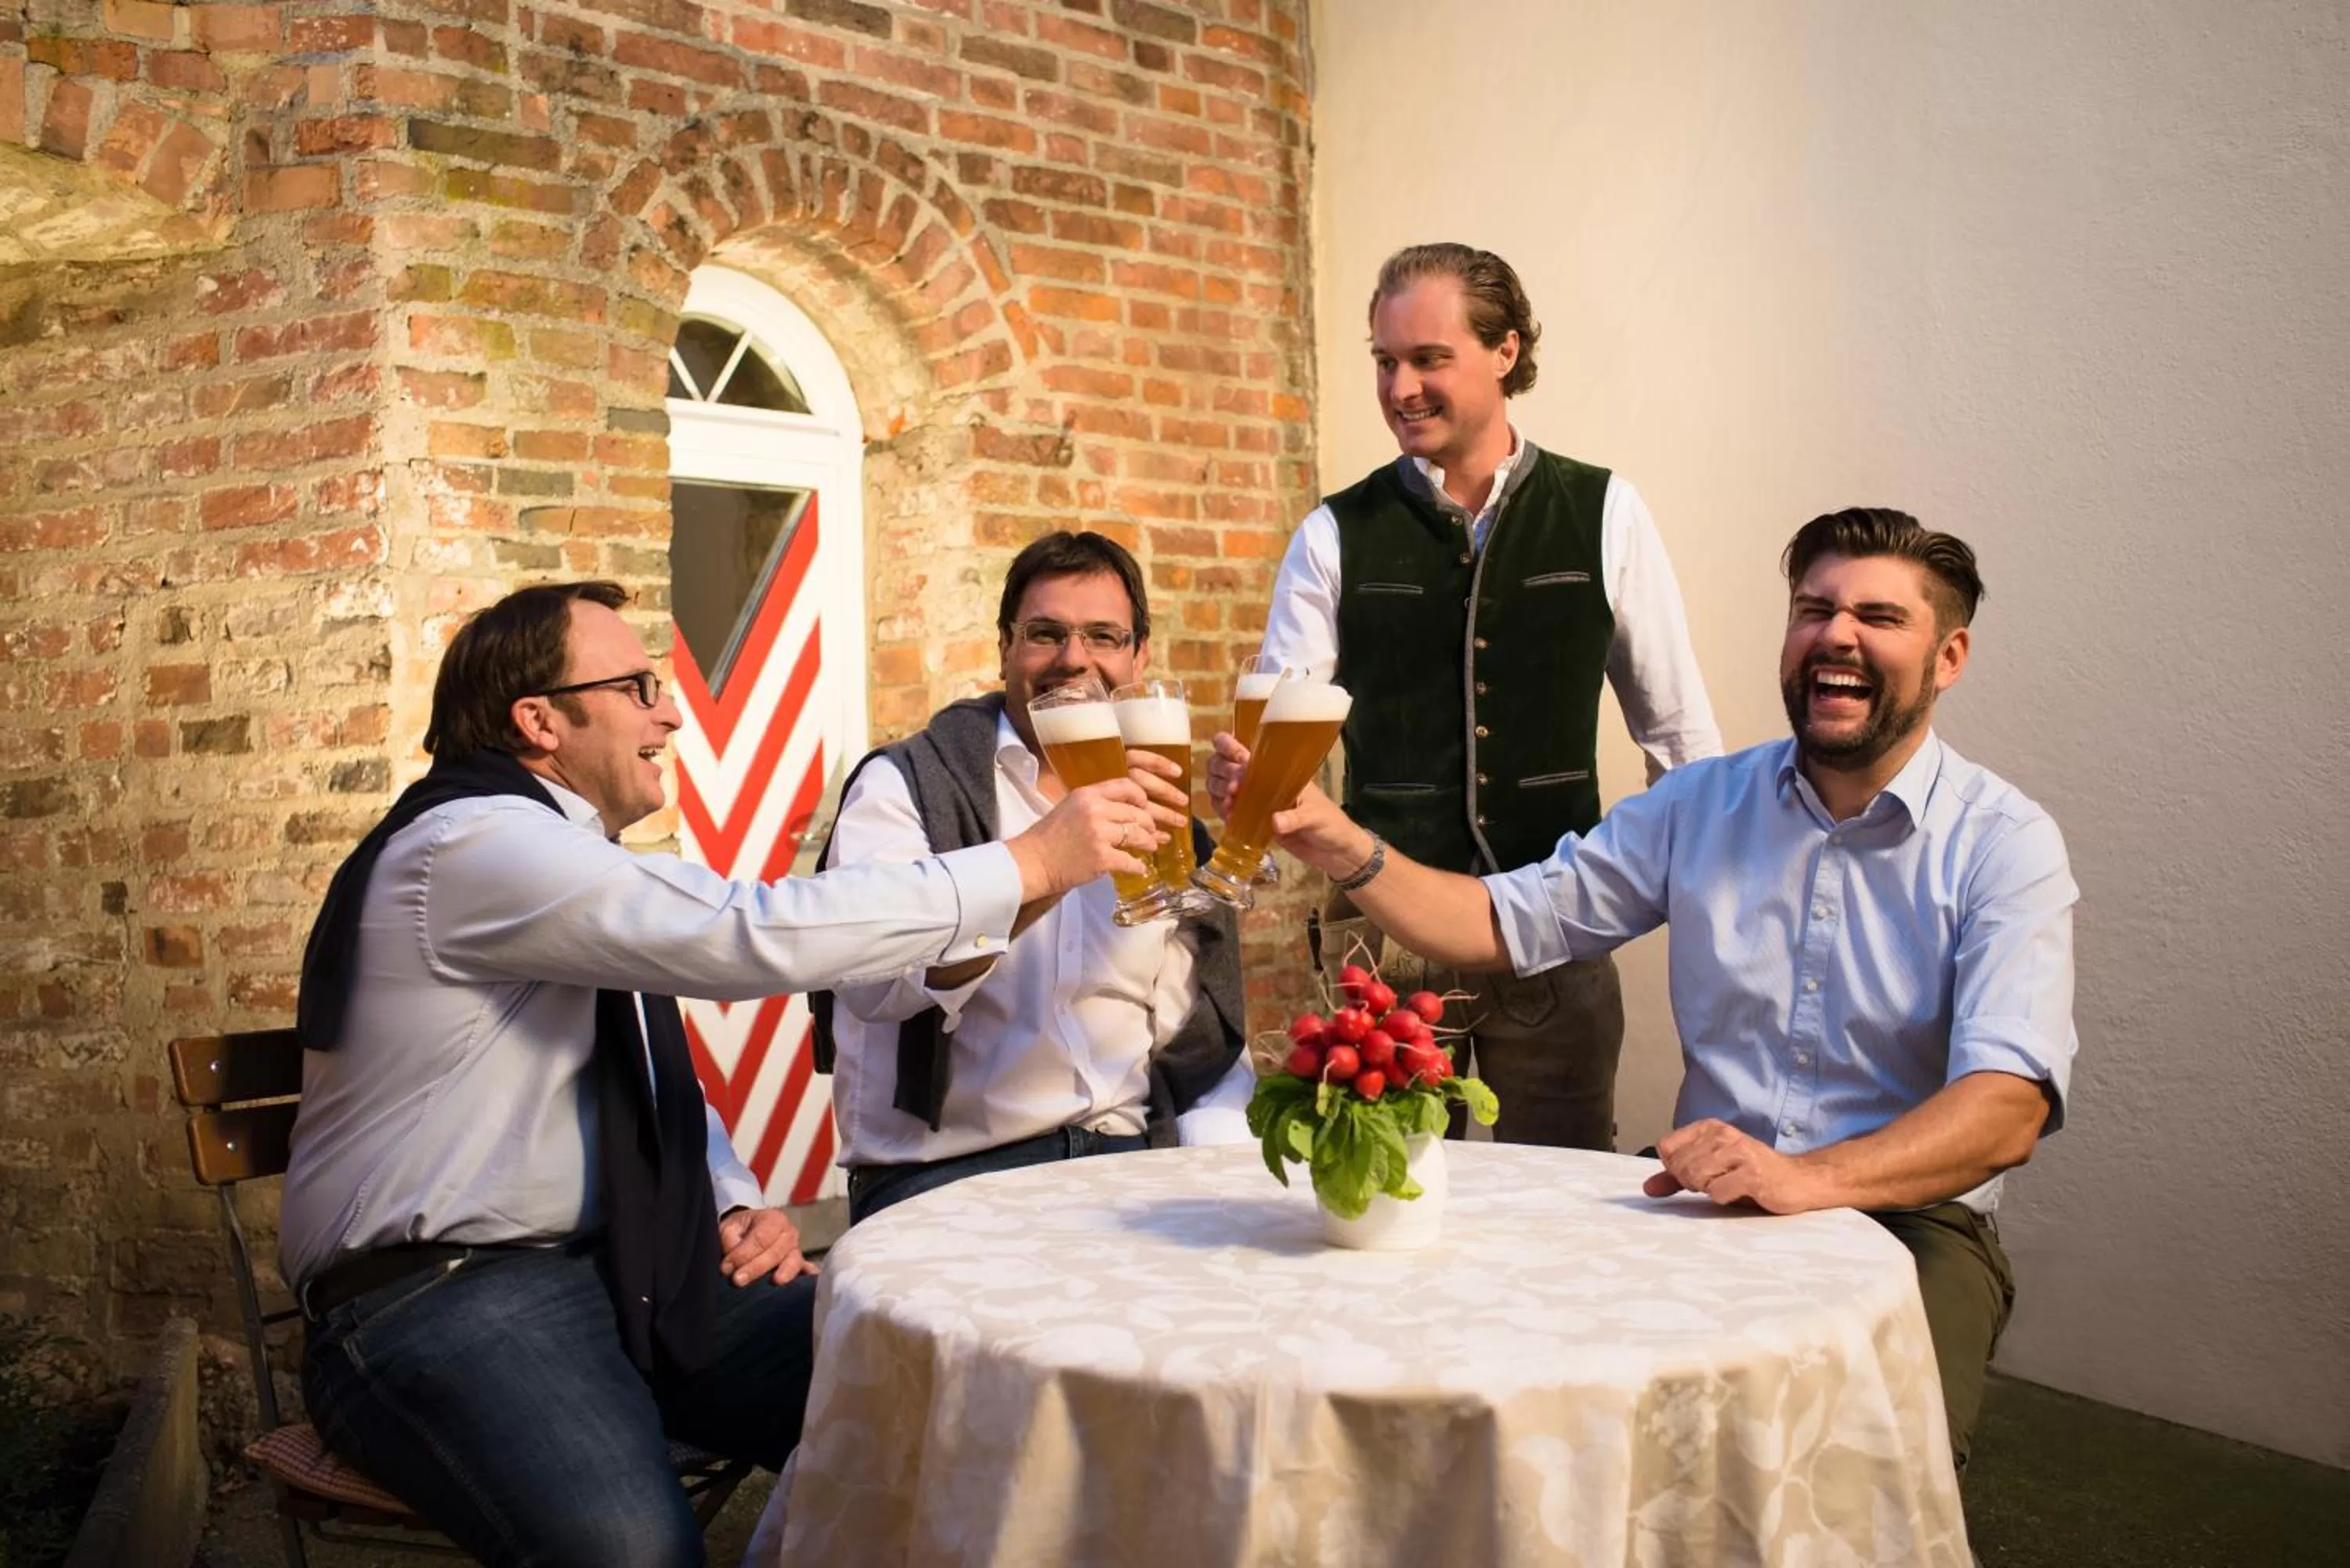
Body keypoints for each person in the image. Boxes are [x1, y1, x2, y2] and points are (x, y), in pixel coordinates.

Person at [284, 580, 1166, 1567]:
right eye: (637, 686)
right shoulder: (474, 845)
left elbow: (640, 1079)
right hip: (437, 1296)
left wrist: (730, 1200)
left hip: (631, 1272)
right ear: (539, 719)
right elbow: (740, 932)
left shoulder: (567, 854)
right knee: (637, 1553)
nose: (669, 711)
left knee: (948, 1400)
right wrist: (1030, 864)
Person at [1221, 509, 2077, 1476]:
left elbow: (2008, 1107)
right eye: (1814, 609)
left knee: (1877, 1458)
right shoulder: (1701, 804)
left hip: (1914, 1216)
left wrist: (1811, 1178)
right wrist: (1338, 842)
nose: (1837, 635)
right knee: (1553, 1406)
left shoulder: (2005, 843)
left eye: (1879, 616)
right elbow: (1495, 922)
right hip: (1705, 1196)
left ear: (1949, 655)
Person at [1257, 241, 1721, 1152]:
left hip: (1559, 927)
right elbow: (1285, 733)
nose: (1400, 388)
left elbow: (1680, 740)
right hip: (1382, 941)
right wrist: (1262, 801)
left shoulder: (1604, 510)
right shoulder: (1333, 533)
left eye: (1429, 359)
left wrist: (1704, 921)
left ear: (1505, 352)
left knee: (1559, 1216)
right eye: (1385, 362)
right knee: (1374, 1199)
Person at [814, 532, 1254, 1225]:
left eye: (1103, 636)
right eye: (1045, 633)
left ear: (1138, 656)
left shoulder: (1168, 821)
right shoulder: (906, 786)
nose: (1073, 659)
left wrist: (1221, 1171)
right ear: (1005, 649)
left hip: (1131, 1159)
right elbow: (875, 985)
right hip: (950, 1176)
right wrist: (1047, 867)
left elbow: (1195, 1042)